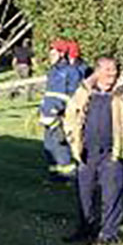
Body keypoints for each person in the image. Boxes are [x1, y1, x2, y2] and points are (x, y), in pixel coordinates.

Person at [63, 57, 123, 245]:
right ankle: (86, 230)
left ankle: (109, 235)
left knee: (112, 196)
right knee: (85, 195)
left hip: (113, 152)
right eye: (108, 69)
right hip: (87, 152)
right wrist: (73, 139)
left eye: (115, 69)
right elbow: (70, 113)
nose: (113, 73)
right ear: (97, 71)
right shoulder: (84, 89)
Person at [38, 39, 86, 182]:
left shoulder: (71, 72)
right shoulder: (53, 71)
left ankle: (70, 175)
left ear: (62, 54)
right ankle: (54, 174)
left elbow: (71, 96)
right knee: (49, 146)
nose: (50, 56)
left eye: (53, 53)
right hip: (48, 116)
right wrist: (43, 109)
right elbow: (49, 93)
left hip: (61, 116)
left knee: (60, 146)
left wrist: (57, 111)